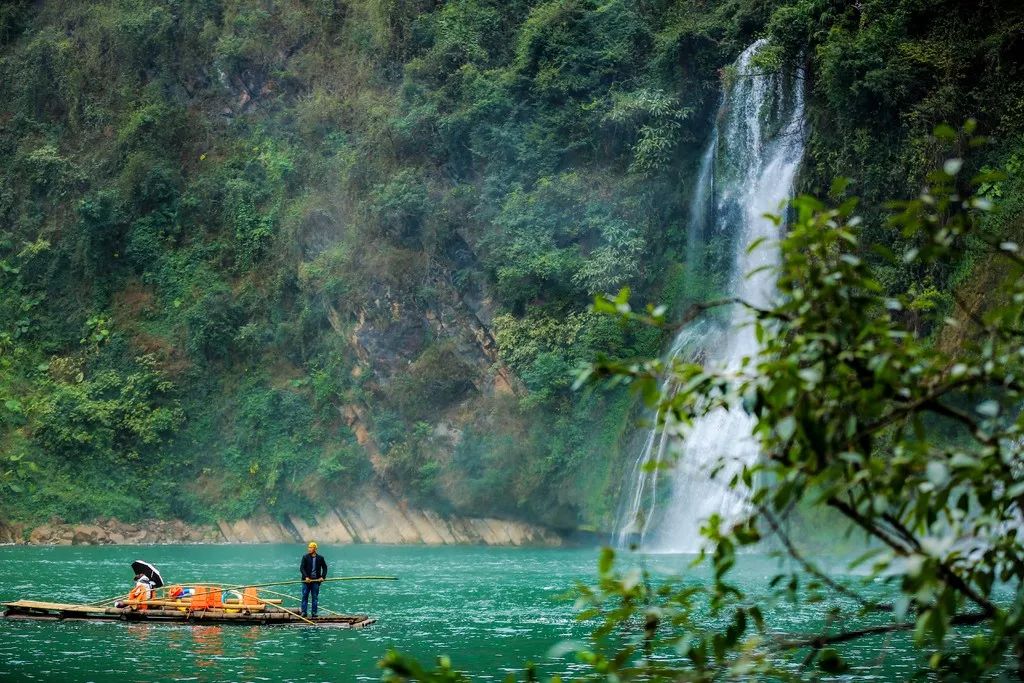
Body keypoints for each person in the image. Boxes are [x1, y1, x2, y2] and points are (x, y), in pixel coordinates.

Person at [299, 541, 328, 617]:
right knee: (305, 596)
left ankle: (314, 613)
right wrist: (306, 577)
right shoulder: (305, 557)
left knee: (315, 597)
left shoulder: (320, 558)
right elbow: (302, 568)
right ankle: (304, 612)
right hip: (306, 581)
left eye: (310, 547)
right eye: (308, 547)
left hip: (316, 581)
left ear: (315, 549)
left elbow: (325, 568)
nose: (309, 549)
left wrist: (322, 577)